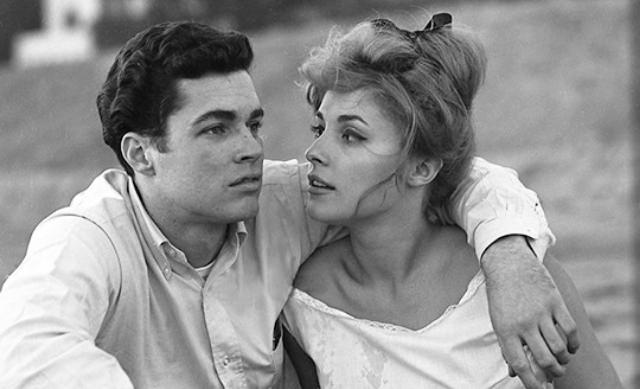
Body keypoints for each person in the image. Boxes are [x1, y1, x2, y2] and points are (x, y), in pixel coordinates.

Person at [0, 21, 573, 389]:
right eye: (216, 130)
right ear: (142, 154)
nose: (251, 148)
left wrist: (510, 259)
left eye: (253, 123)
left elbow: (447, 172)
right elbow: (27, 351)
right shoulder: (86, 239)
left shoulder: (283, 199)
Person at [282, 13, 622, 388]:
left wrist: (508, 261)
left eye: (351, 136)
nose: (313, 152)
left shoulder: (522, 280)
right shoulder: (303, 302)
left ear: (422, 167)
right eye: (319, 128)